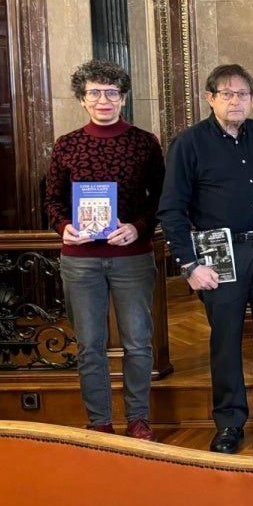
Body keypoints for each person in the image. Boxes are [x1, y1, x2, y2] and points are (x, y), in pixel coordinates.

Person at [158, 64, 253, 455]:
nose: (236, 100)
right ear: (210, 98)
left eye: (243, 93)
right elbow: (172, 209)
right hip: (217, 253)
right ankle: (229, 422)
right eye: (227, 93)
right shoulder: (188, 143)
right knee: (225, 340)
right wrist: (189, 265)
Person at [44, 60, 165, 440]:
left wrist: (138, 227)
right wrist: (65, 228)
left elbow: (161, 198)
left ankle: (138, 418)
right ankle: (99, 421)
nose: (103, 100)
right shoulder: (67, 145)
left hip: (131, 256)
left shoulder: (144, 142)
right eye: (94, 92)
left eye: (112, 92)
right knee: (90, 345)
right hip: (80, 260)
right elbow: (52, 201)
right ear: (82, 99)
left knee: (137, 342)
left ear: (123, 98)